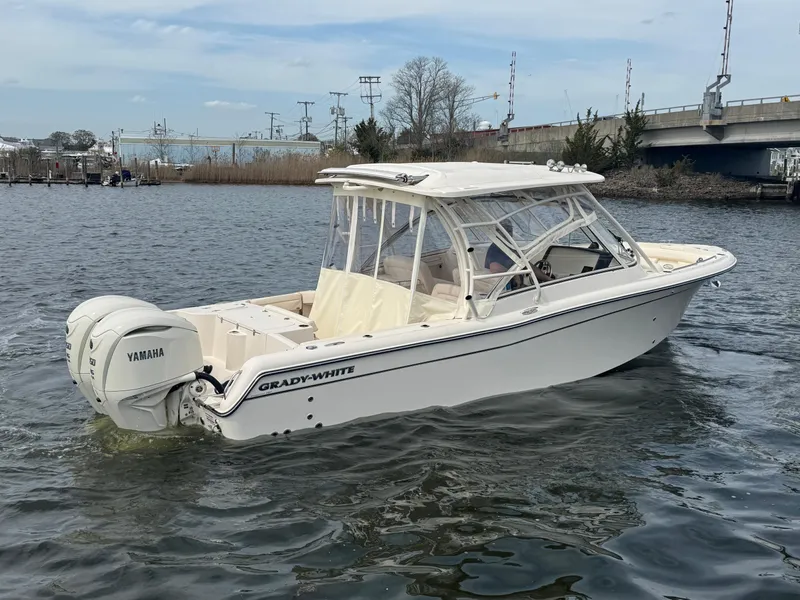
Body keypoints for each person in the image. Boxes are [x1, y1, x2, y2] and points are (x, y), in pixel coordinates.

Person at [484, 219, 554, 286]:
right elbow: (494, 268)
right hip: (503, 288)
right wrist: (514, 275)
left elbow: (527, 265)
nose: (508, 232)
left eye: (509, 229)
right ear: (497, 232)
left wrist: (548, 279)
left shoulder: (510, 247)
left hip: (515, 285)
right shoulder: (495, 248)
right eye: (505, 230)